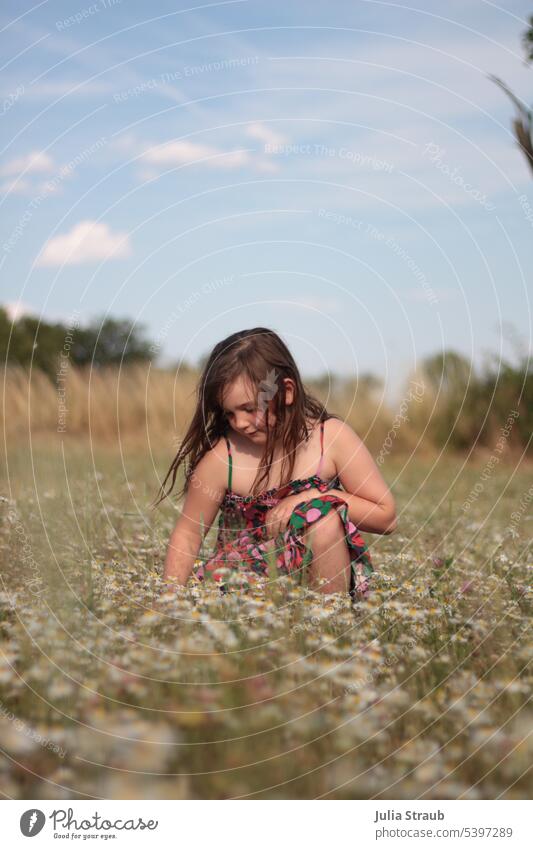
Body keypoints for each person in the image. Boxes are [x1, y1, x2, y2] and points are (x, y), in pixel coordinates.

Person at [154, 327, 397, 601]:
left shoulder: (331, 439)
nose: (240, 423)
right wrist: (170, 601)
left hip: (320, 580)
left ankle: (327, 623)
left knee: (325, 520)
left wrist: (317, 497)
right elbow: (188, 534)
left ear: (287, 392)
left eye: (248, 408)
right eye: (229, 413)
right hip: (243, 589)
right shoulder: (224, 458)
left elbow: (386, 516)